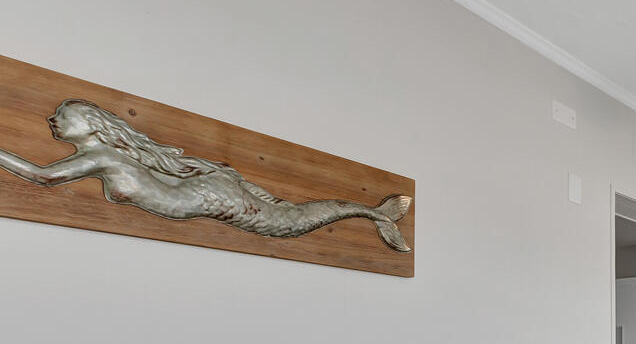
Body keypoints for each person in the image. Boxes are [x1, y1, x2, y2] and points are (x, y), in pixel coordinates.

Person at [0, 99, 411, 251]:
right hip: (207, 192)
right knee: (288, 217)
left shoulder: (100, 157)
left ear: (91, 125)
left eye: (62, 117)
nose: (52, 120)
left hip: (213, 198)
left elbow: (41, 177)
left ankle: (376, 214)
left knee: (286, 224)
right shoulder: (103, 154)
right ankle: (376, 213)